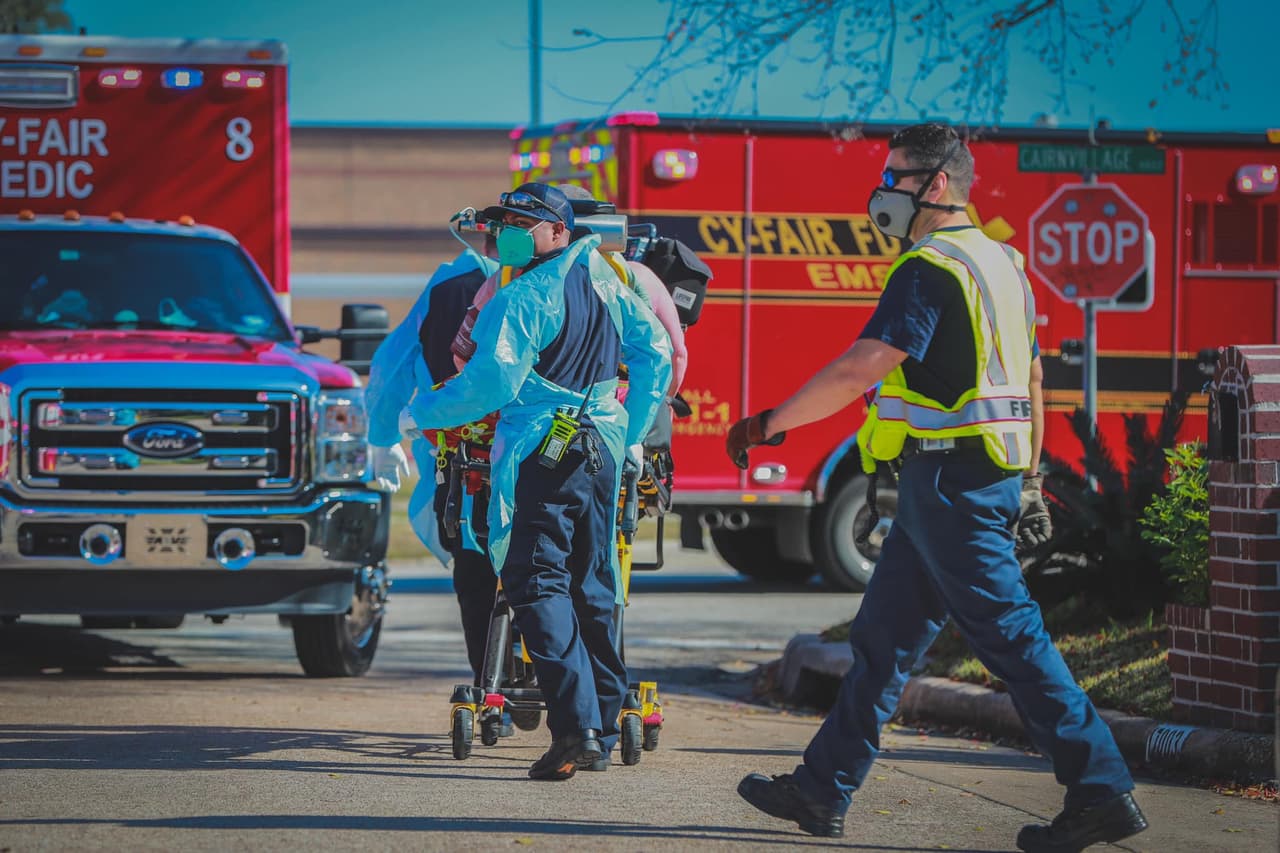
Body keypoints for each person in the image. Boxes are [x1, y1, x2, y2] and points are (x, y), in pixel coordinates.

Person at [726, 123, 1146, 852]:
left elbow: (865, 364)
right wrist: (1031, 478)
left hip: (953, 482)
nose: (884, 190)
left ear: (937, 184)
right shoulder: (1004, 263)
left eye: (896, 176)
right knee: (881, 642)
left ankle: (1101, 786)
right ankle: (822, 789)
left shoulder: (931, 266)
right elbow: (1034, 379)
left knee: (1010, 637)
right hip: (956, 482)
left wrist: (770, 422)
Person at [402, 182, 672, 780]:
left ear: (557, 230)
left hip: (544, 455)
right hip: (598, 449)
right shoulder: (605, 282)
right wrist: (628, 434)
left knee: (534, 581)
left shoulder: (522, 297)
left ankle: (576, 732)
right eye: (503, 222)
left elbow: (487, 386)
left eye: (524, 220)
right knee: (592, 580)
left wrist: (419, 412)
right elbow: (655, 352)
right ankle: (599, 722)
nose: (509, 232)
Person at [364, 234, 500, 685]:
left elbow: (395, 362)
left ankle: (489, 682)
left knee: (475, 569)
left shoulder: (448, 288)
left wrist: (385, 435)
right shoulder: (582, 282)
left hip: (462, 458)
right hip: (550, 455)